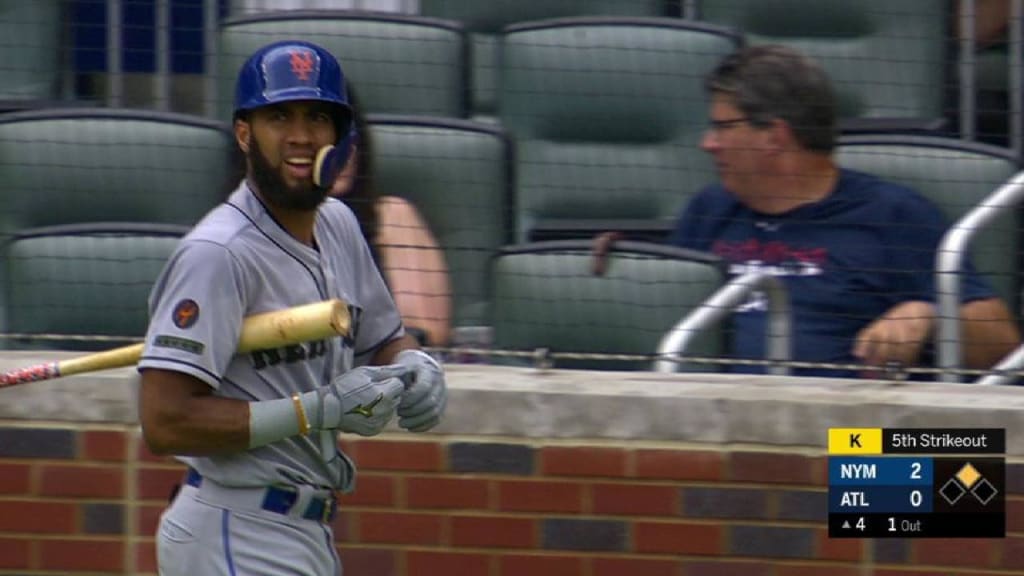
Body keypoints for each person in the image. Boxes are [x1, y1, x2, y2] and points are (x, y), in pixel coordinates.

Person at [136, 40, 447, 576]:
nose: (301, 135)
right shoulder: (217, 255)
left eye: (317, 117)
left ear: (339, 136)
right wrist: (317, 411)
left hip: (304, 532)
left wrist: (414, 364)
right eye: (279, 116)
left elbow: (384, 338)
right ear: (244, 133)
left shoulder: (340, 225)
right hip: (235, 529)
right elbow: (165, 422)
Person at [596, 45, 1021, 379]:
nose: (708, 144)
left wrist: (930, 315)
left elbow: (1003, 345)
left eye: (723, 128)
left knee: (963, 480)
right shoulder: (708, 211)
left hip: (846, 433)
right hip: (708, 429)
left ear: (775, 136)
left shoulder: (893, 216)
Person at [328, 87, 453, 347]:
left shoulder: (391, 217)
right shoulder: (238, 235)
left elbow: (425, 332)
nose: (344, 153)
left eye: (348, 135)